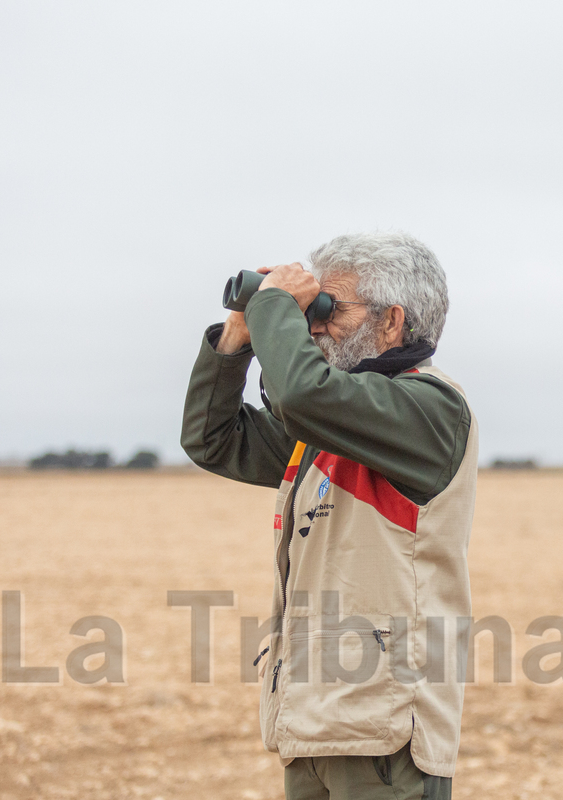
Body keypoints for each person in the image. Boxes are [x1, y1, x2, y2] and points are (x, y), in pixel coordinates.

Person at [181, 233, 476, 800]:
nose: (313, 324)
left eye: (328, 308)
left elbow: (302, 396)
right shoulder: (329, 433)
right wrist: (238, 337)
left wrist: (272, 306)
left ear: (392, 322)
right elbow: (211, 438)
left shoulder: (431, 409)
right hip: (313, 720)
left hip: (383, 729)